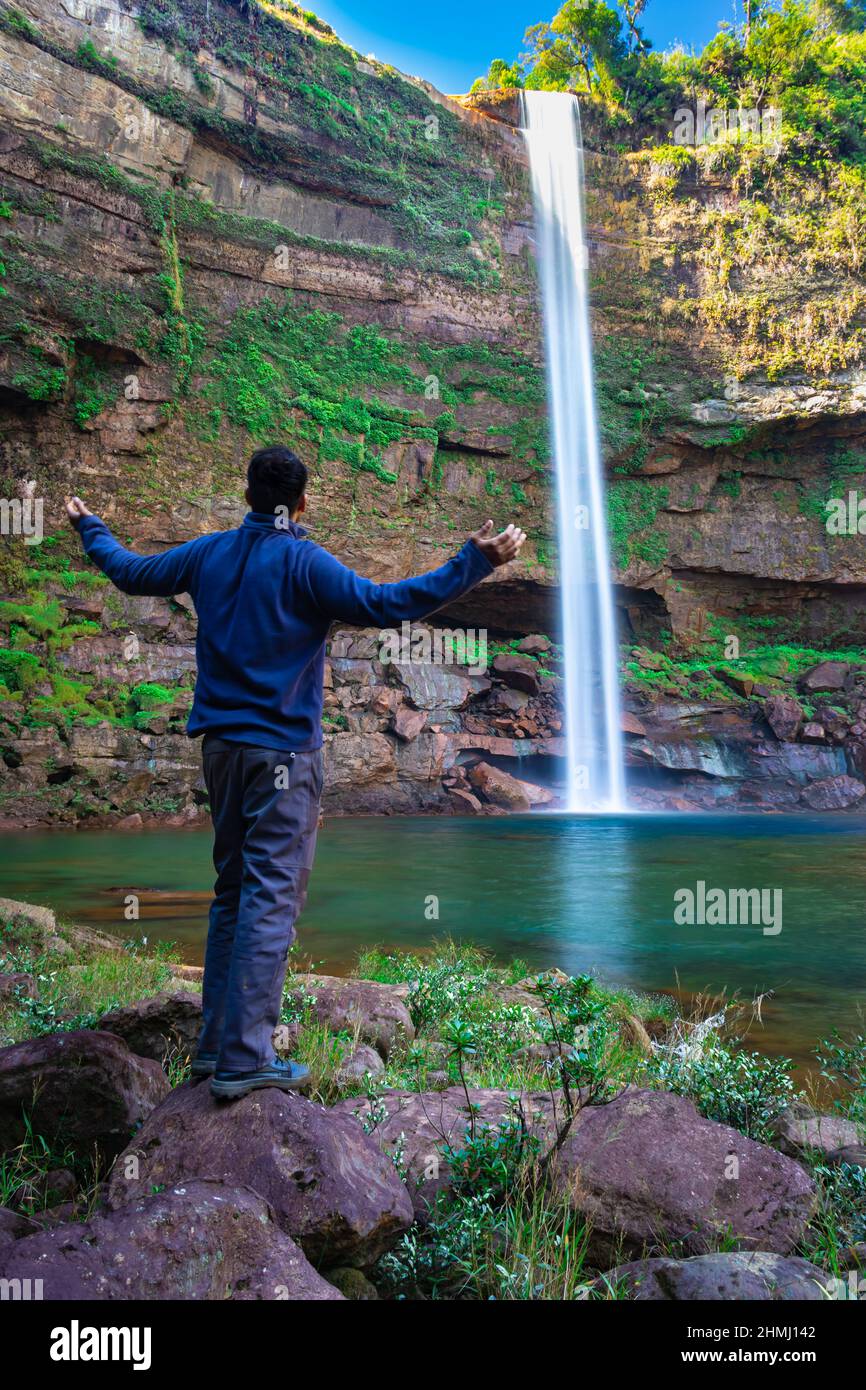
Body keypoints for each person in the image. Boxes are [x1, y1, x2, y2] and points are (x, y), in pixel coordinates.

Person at [66, 445, 526, 1099]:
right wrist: (474, 562)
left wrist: (92, 527)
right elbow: (390, 603)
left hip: (223, 751)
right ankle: (246, 1057)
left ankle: (215, 1049)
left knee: (234, 892)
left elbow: (130, 573)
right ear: (301, 503)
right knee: (272, 898)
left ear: (248, 493)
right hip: (282, 755)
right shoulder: (305, 563)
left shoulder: (208, 554)